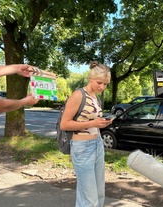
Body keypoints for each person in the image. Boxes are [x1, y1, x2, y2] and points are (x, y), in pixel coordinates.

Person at [60, 61, 112, 207]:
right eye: (99, 82)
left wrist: (102, 123)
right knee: (89, 198)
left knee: (98, 193)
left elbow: (91, 120)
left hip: (97, 144)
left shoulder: (96, 97)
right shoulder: (78, 95)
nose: (102, 87)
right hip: (82, 147)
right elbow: (65, 124)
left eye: (105, 84)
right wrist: (92, 124)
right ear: (90, 78)